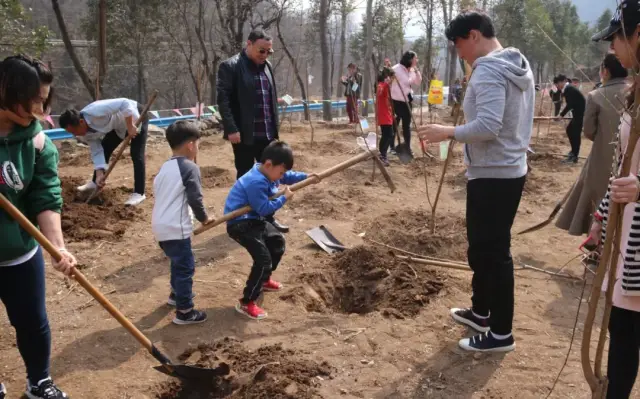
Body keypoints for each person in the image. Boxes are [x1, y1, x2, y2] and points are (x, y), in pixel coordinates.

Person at [417, 10, 535, 352]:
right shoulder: (514, 64)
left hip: (494, 174)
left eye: (458, 45)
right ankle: (481, 312)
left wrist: (447, 132)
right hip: (506, 169)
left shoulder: (488, 71)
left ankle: (500, 334)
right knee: (482, 249)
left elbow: (487, 127)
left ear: (473, 35)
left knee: (494, 252)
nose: (459, 53)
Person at [0, 55, 77, 399]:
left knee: (33, 322)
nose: (41, 107)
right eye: (34, 99)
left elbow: (46, 197)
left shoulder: (38, 141)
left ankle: (39, 382)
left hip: (19, 251)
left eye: (44, 99)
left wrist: (58, 246)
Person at [590, 2, 640, 396]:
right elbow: (624, 165)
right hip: (627, 235)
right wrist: (604, 212)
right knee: (622, 329)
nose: (614, 50)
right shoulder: (634, 90)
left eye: (617, 39)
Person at [224, 142, 320, 319]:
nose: (282, 176)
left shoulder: (268, 171)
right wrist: (283, 198)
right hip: (240, 224)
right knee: (263, 260)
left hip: (255, 219)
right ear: (268, 164)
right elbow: (264, 208)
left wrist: (306, 177)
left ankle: (264, 279)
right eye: (281, 172)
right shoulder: (255, 181)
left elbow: (287, 176)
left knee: (277, 242)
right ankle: (246, 302)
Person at [217, 29, 288, 233]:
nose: (264, 55)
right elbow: (223, 101)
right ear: (248, 44)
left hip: (266, 133)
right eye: (261, 50)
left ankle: (268, 218)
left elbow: (270, 100)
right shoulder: (230, 67)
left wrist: (275, 129)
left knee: (269, 177)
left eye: (268, 51)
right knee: (246, 177)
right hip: (244, 134)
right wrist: (231, 128)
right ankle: (244, 220)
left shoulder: (267, 67)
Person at [556, 54, 628, 236]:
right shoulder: (634, 91)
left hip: (602, 159)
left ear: (605, 71)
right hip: (632, 163)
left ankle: (597, 249)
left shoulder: (596, 96)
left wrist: (604, 138)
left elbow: (588, 131)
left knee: (598, 200)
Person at [152, 120, 211, 325]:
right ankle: (185, 311)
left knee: (177, 263)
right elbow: (195, 198)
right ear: (190, 145)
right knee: (186, 267)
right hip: (175, 228)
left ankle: (176, 295)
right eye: (198, 143)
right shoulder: (189, 167)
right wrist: (204, 218)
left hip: (160, 227)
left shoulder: (164, 168)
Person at [58, 99, 149, 206]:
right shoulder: (86, 133)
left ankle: (139, 193)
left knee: (136, 154)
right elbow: (97, 151)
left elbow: (125, 103)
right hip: (117, 126)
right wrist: (99, 174)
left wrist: (130, 125)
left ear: (81, 122)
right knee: (105, 147)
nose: (75, 135)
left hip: (134, 117)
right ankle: (95, 181)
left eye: (74, 131)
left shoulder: (95, 111)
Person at [391, 51, 422, 151]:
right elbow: (388, 83)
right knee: (394, 125)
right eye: (415, 58)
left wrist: (416, 71)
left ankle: (407, 147)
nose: (417, 60)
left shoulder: (412, 70)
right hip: (396, 102)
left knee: (406, 126)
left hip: (407, 102)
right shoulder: (396, 69)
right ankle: (391, 147)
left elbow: (418, 82)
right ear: (410, 59)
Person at [555, 74, 586, 164]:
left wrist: (561, 115)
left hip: (580, 114)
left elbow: (570, 104)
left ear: (564, 81)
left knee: (575, 134)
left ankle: (574, 156)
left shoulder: (569, 89)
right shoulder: (568, 89)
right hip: (578, 114)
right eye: (556, 84)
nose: (558, 86)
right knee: (570, 130)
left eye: (558, 83)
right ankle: (573, 152)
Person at [376, 68, 395, 166]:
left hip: (386, 114)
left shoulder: (382, 85)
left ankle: (382, 153)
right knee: (389, 135)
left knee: (386, 135)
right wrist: (388, 83)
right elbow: (382, 92)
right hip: (384, 115)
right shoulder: (382, 86)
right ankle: (382, 154)